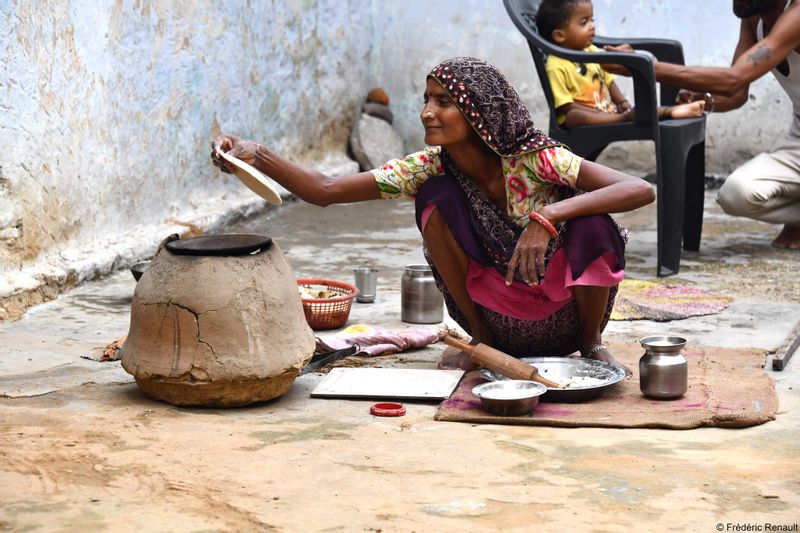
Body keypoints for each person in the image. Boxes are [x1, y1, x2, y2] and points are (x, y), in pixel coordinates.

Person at [210, 56, 655, 374]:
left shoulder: (534, 158)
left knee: (595, 221)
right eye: (427, 99)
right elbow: (324, 192)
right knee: (434, 197)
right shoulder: (430, 166)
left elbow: (638, 189)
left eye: (443, 101)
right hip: (497, 319)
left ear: (477, 111)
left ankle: (591, 346)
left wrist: (550, 215)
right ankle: (481, 343)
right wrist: (256, 155)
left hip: (567, 318)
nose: (426, 112)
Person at [604, 0, 800, 249]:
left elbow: (733, 79)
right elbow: (736, 93)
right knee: (737, 194)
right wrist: (705, 100)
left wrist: (643, 67)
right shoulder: (753, 18)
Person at [535, 0, 705, 129]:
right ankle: (655, 114)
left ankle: (667, 112)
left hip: (609, 112)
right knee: (573, 116)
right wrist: (602, 114)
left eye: (592, 19)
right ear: (559, 36)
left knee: (635, 111)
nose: (592, 26)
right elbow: (566, 106)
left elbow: (609, 83)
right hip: (587, 117)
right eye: (584, 22)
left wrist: (622, 103)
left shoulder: (593, 51)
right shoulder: (556, 65)